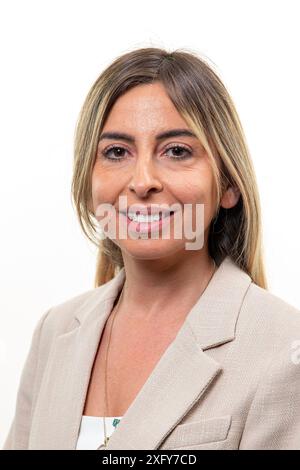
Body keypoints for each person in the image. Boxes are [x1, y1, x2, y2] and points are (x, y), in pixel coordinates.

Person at [3, 47, 300, 450]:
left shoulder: (284, 347)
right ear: (89, 184)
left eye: (177, 151)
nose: (142, 181)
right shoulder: (55, 331)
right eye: (116, 152)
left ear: (228, 184)